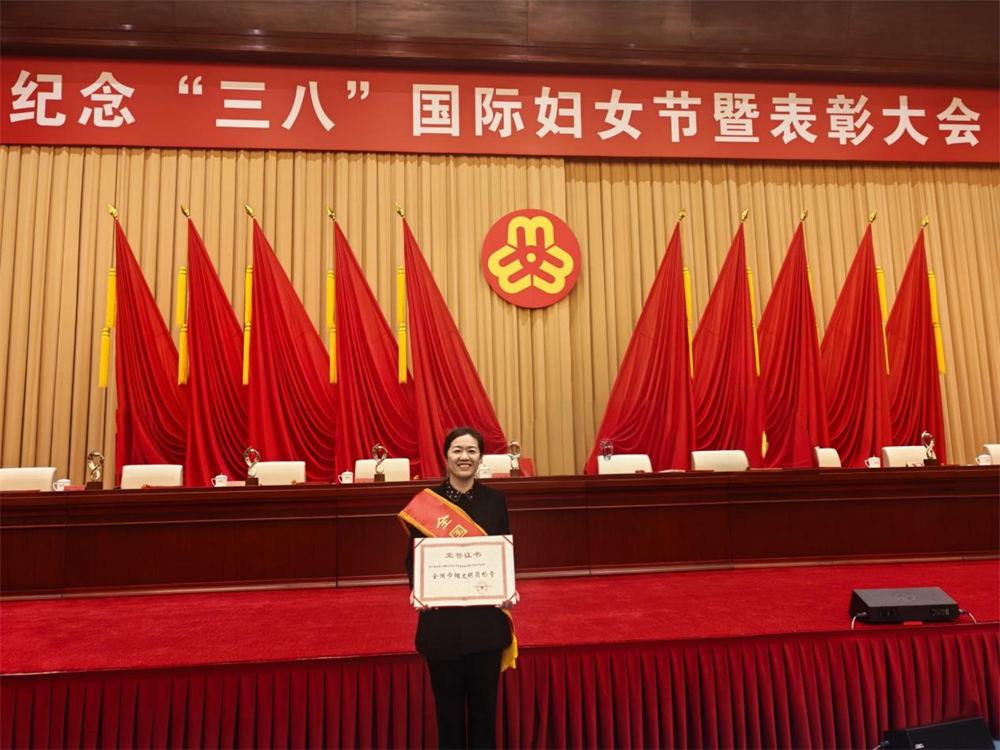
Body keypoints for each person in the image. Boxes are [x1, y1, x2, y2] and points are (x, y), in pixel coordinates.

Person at [403, 427, 516, 750]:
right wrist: (418, 589)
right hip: (441, 626)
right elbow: (414, 559)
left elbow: (503, 552)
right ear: (446, 456)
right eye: (457, 450)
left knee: (484, 717)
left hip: (485, 626)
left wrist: (507, 586)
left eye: (471, 451)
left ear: (480, 457)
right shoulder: (427, 503)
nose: (464, 457)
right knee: (448, 718)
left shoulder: (495, 500)